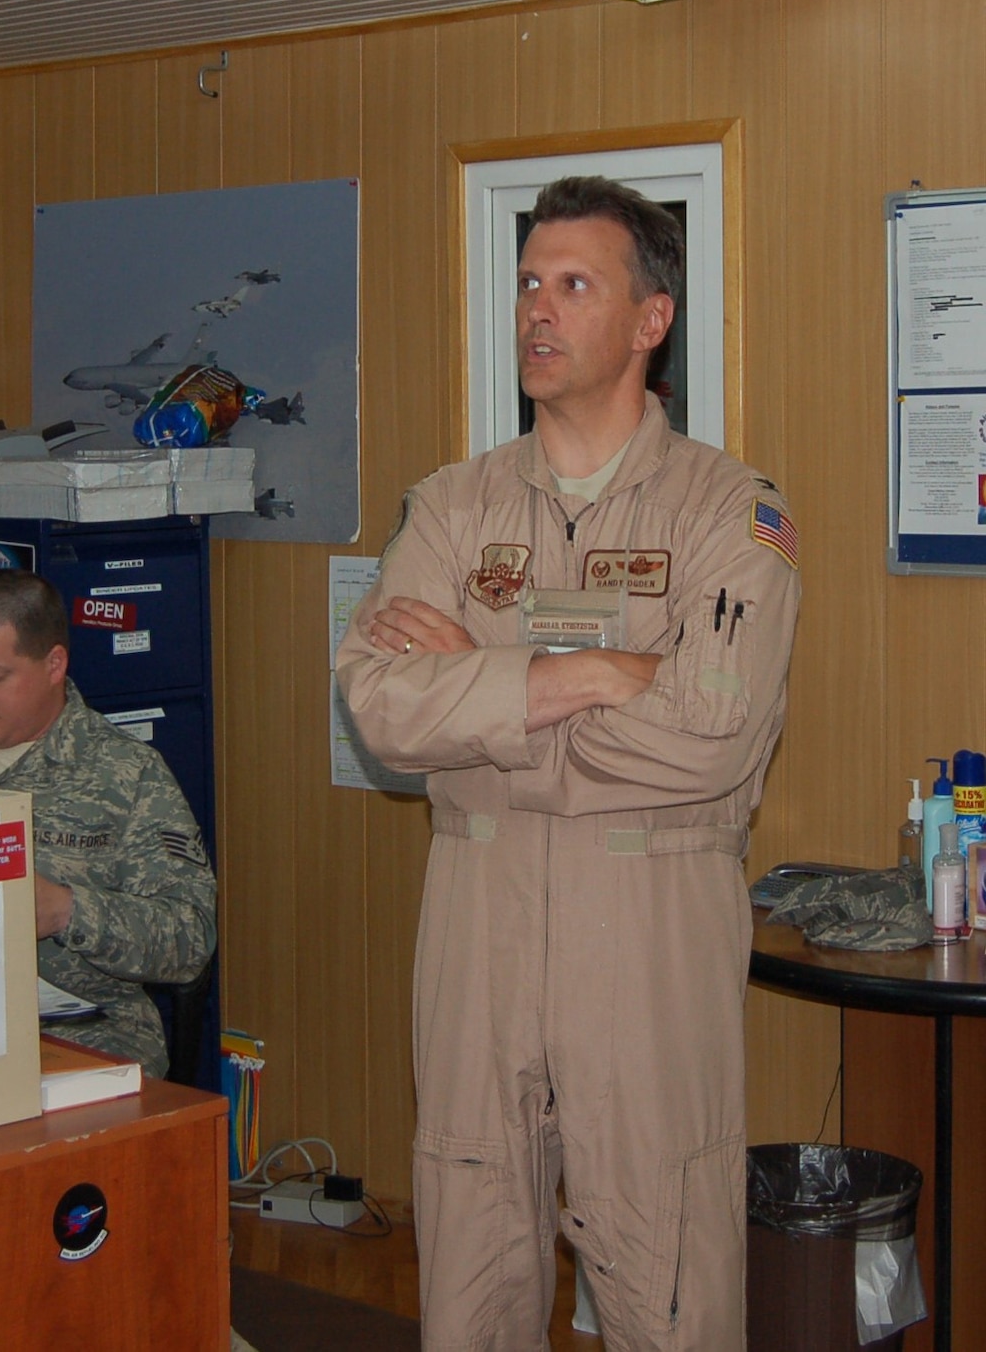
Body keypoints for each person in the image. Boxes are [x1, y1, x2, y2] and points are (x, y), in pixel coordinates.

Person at [336, 176, 800, 1350]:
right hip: (477, 920)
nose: (537, 310)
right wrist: (592, 673)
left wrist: (483, 688)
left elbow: (710, 732)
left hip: (646, 926)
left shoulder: (727, 515)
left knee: (665, 1267)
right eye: (528, 284)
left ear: (651, 320)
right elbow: (383, 709)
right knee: (470, 1251)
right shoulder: (448, 507)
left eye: (573, 284)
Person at [0, 570, 217, 1077]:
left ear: (54, 665)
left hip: (80, 1037)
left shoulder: (126, 773)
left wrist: (67, 912)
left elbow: (190, 938)